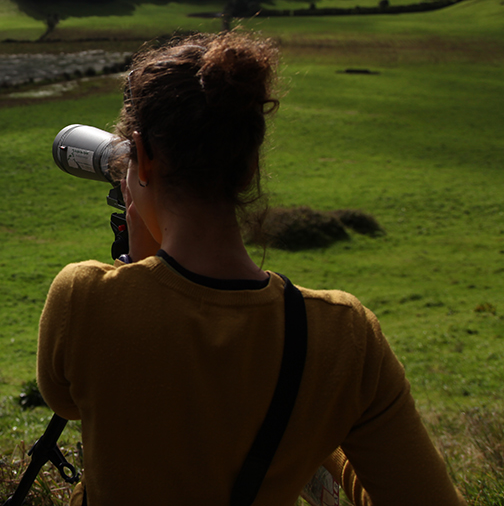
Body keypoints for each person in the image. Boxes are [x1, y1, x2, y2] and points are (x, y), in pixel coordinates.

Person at [36, 32, 464, 505]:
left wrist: (139, 266)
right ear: (250, 165)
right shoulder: (345, 338)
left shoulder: (84, 298)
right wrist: (313, 427)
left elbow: (68, 400)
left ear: (144, 156)